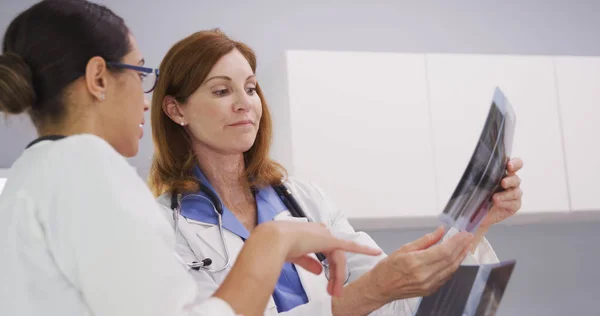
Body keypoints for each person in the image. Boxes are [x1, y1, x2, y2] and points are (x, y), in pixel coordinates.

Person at [0, 1, 383, 316]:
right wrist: (272, 242)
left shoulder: (28, 178)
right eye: (139, 73)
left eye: (250, 88)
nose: (144, 97)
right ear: (99, 78)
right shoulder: (89, 169)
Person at [148, 28, 525, 315]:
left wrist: (477, 221)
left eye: (250, 88)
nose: (245, 104)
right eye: (220, 91)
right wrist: (368, 292)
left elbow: (395, 305)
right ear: (175, 110)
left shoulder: (304, 200)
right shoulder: (165, 228)